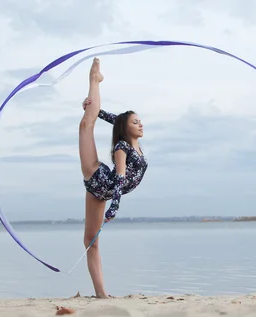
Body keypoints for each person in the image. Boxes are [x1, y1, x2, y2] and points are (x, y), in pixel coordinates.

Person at [78, 57, 148, 298]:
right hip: (99, 179)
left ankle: (101, 295)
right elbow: (119, 178)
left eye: (140, 121)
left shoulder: (135, 144)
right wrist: (114, 208)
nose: (140, 124)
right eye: (135, 122)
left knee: (91, 241)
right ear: (126, 127)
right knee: (85, 126)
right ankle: (94, 80)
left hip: (101, 193)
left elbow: (110, 118)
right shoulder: (122, 147)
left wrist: (95, 109)